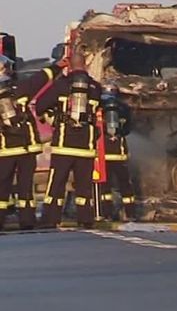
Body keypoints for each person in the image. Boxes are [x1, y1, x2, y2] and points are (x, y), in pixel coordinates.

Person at [36, 53, 102, 228]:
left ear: (70, 66)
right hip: (86, 147)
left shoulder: (62, 85)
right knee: (84, 187)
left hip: (64, 145)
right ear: (85, 65)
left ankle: (50, 219)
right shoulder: (95, 87)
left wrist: (53, 120)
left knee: (56, 184)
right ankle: (86, 219)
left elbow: (41, 106)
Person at [0, 56, 45, 230]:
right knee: (25, 187)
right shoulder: (20, 89)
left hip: (5, 150)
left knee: (3, 187)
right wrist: (58, 67)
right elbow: (40, 79)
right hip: (27, 148)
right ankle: (27, 221)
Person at [99, 81, 136, 221]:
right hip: (120, 154)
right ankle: (130, 213)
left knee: (105, 186)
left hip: (103, 154)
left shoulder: (98, 106)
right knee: (125, 185)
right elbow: (127, 130)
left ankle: (107, 213)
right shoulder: (124, 108)